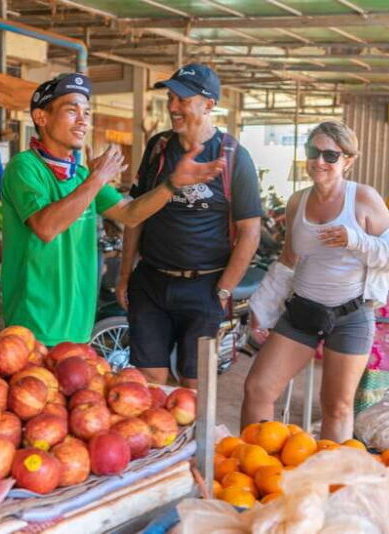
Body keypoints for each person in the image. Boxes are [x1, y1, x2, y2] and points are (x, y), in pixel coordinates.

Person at [1, 73, 223, 348]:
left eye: (86, 112)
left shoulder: (80, 174)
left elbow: (130, 213)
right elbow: (46, 227)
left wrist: (172, 184)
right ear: (41, 117)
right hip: (33, 324)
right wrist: (97, 179)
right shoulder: (24, 167)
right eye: (71, 110)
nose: (83, 120)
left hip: (79, 323)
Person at [241, 121, 389, 441]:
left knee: (337, 407)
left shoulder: (364, 198)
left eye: (330, 155)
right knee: (257, 388)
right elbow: (288, 259)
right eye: (313, 152)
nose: (319, 161)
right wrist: (262, 307)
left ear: (348, 160)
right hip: (302, 311)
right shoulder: (297, 201)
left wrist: (354, 240)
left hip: (351, 315)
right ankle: (253, 459)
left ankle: (330, 470)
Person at [117, 63, 263, 389]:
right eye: (170, 98)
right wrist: (125, 274)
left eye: (182, 100)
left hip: (205, 287)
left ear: (208, 105)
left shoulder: (234, 156)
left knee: (193, 385)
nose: (172, 107)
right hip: (151, 282)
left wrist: (223, 291)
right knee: (150, 381)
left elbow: (250, 233)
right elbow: (135, 214)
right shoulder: (158, 148)